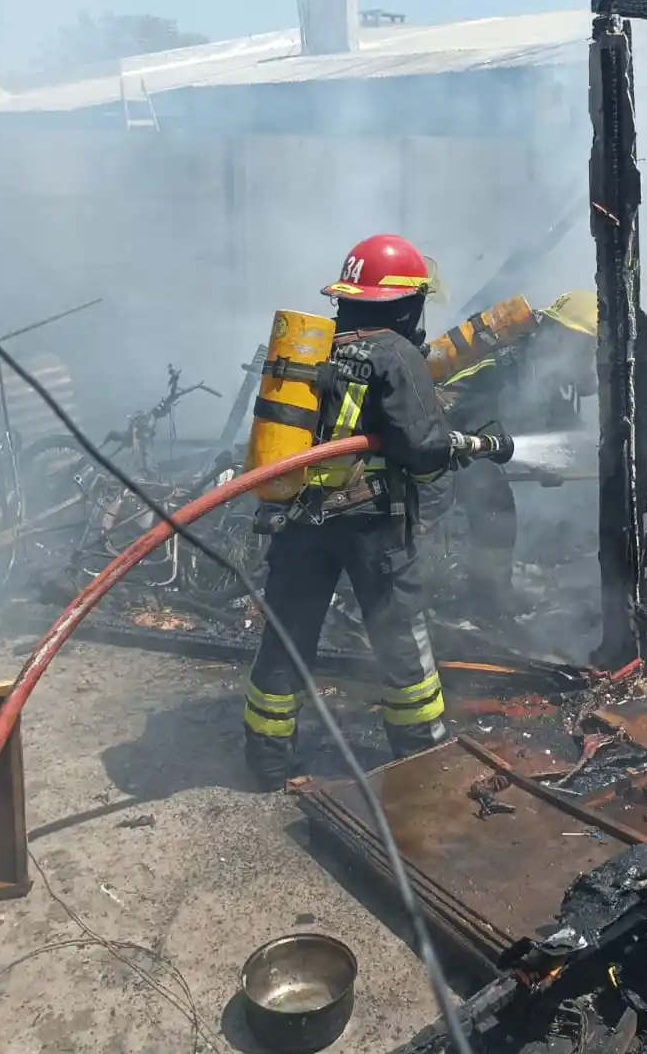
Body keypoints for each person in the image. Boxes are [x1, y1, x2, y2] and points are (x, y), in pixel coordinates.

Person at [243, 233, 511, 790]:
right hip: (371, 524)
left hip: (298, 521)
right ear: (405, 302)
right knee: (399, 639)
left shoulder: (314, 348)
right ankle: (421, 759)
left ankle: (267, 762)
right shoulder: (394, 352)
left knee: (287, 637)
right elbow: (424, 446)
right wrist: (461, 447)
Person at [438, 289, 598, 613]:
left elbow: (553, 408)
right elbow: (465, 400)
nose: (586, 357)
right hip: (443, 430)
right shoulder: (507, 353)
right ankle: (486, 601)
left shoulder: (543, 359)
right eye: (586, 347)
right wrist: (498, 445)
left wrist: (560, 454)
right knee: (494, 508)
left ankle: (480, 592)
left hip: (467, 435)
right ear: (565, 335)